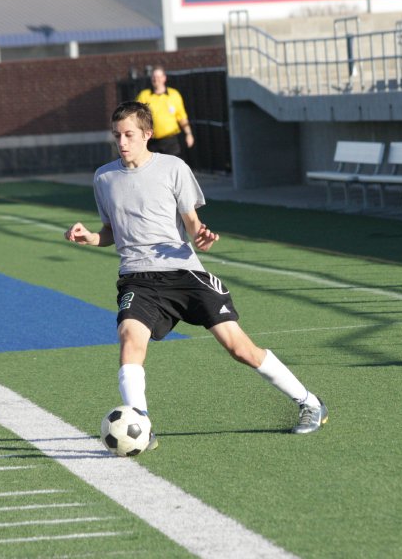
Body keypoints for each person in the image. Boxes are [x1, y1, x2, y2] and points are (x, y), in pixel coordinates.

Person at [64, 101, 328, 445]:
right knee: (130, 341)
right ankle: (141, 425)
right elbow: (112, 230)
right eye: (117, 135)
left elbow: (193, 226)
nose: (122, 142)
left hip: (184, 272)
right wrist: (92, 238)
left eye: (129, 134)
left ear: (147, 134)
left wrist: (202, 236)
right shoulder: (104, 177)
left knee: (239, 348)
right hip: (137, 279)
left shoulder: (173, 167)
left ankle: (309, 403)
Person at [135, 65, 194, 157]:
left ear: (164, 78)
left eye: (158, 77)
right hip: (152, 141)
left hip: (170, 140)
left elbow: (182, 117)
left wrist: (188, 133)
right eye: (153, 77)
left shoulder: (173, 95)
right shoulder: (144, 96)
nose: (156, 79)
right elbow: (136, 117)